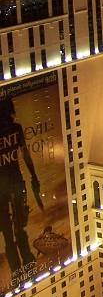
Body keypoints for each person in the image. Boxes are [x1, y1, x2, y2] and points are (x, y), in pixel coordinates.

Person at [0, 98, 41, 277]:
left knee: (10, 233)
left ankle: (19, 272)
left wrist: (34, 176)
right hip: (14, 183)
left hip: (9, 185)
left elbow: (25, 154)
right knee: (17, 231)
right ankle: (24, 271)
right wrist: (34, 176)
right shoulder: (15, 129)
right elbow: (25, 155)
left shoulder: (16, 129)